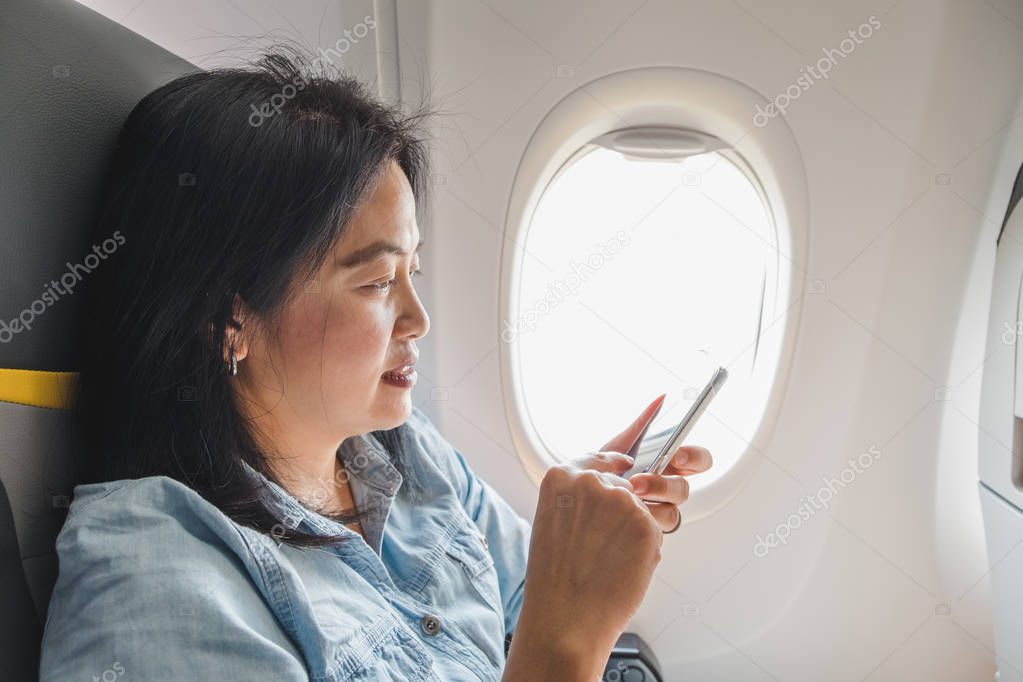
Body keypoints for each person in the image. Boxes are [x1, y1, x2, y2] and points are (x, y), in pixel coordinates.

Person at [39, 45, 711, 681]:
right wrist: (569, 645)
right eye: (376, 283)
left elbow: (532, 592)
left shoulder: (401, 452)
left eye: (411, 271)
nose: (420, 320)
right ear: (229, 321)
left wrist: (586, 522)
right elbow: (553, 629)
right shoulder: (158, 579)